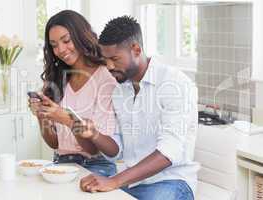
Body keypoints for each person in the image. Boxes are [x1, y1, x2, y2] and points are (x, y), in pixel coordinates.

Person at [77, 16, 199, 200]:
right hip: (132, 182)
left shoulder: (174, 83)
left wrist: (114, 181)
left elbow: (169, 152)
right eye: (105, 60)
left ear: (136, 49)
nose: (109, 66)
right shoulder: (120, 90)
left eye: (115, 59)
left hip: (171, 182)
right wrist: (94, 134)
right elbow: (117, 150)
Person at [28, 10, 117, 177]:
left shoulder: (106, 80)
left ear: (81, 36)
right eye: (54, 45)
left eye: (66, 41)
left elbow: (94, 149)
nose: (60, 50)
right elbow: (55, 143)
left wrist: (66, 120)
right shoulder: (57, 80)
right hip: (62, 163)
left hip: (97, 164)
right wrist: (42, 116)